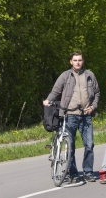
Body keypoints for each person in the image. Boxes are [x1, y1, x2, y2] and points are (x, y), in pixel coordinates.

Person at [43, 52, 100, 183]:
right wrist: (48, 100)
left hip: (86, 115)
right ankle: (73, 173)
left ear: (83, 61)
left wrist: (93, 107)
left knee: (89, 145)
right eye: (75, 60)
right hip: (69, 115)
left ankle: (88, 172)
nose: (77, 62)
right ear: (71, 62)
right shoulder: (65, 75)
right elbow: (56, 91)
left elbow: (97, 93)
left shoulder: (90, 75)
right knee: (70, 146)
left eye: (80, 60)